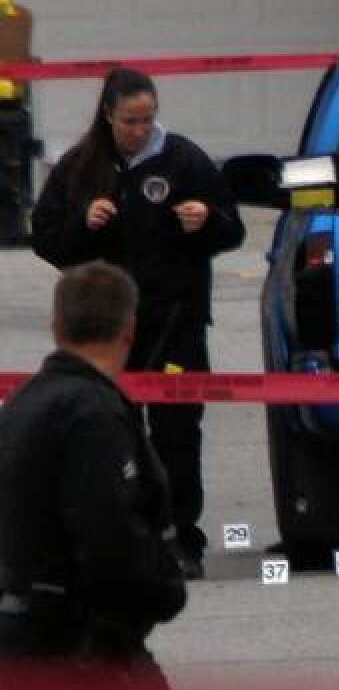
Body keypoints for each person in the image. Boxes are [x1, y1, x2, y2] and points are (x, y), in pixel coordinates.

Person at [31, 66, 246, 579]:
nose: (141, 130)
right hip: (105, 335)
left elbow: (233, 230)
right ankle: (109, 540)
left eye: (148, 119)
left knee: (176, 434)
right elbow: (47, 241)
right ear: (108, 115)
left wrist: (206, 222)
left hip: (177, 321)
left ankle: (180, 542)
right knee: (105, 434)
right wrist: (83, 226)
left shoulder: (184, 159)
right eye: (130, 120)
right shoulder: (80, 168)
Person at [0, 261, 189, 690]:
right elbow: (110, 535)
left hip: (28, 634)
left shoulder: (25, 404)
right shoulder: (92, 414)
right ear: (130, 329)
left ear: (56, 326)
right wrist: (162, 591)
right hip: (78, 641)